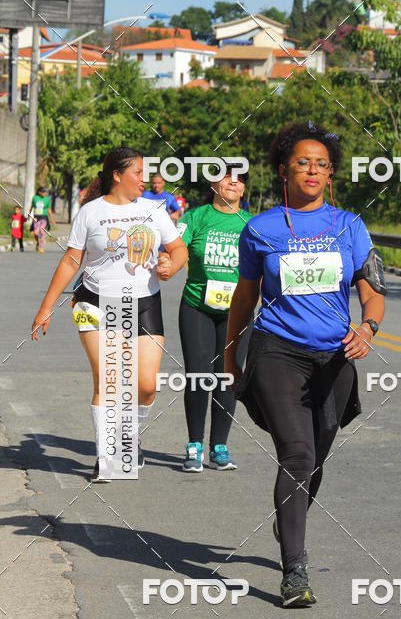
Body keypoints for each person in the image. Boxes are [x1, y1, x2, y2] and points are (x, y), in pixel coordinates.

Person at [225, 121, 386, 608]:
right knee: (296, 455)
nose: (312, 170)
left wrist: (368, 328)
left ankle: (287, 516)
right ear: (283, 170)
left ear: (330, 174)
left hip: (334, 356)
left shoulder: (350, 227)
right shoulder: (261, 229)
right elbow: (244, 298)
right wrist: (232, 354)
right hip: (278, 351)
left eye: (321, 164)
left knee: (316, 455)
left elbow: (372, 293)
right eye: (302, 162)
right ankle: (294, 571)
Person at [31, 147, 188, 482]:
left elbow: (177, 249)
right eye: (138, 173)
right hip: (95, 301)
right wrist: (46, 308)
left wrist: (170, 266)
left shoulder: (154, 209)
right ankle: (108, 458)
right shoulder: (90, 212)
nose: (144, 180)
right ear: (117, 175)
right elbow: (72, 260)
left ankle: (130, 434)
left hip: (144, 302)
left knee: (145, 386)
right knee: (110, 379)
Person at [166, 166, 252, 472]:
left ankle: (219, 447)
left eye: (240, 179)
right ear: (213, 183)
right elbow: (176, 250)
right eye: (227, 176)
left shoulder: (252, 225)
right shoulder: (195, 218)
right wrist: (168, 265)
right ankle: (194, 446)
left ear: (244, 189)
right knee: (199, 376)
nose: (233, 182)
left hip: (237, 312)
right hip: (197, 308)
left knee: (227, 378)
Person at [30, 185, 56, 253]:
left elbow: (49, 210)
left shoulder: (47, 199)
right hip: (36, 217)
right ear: (39, 192)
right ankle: (37, 243)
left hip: (44, 217)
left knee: (41, 232)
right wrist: (29, 214)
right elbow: (32, 206)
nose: (45, 193)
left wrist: (52, 219)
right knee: (35, 233)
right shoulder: (35, 198)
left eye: (45, 192)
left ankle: (41, 247)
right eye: (43, 192)